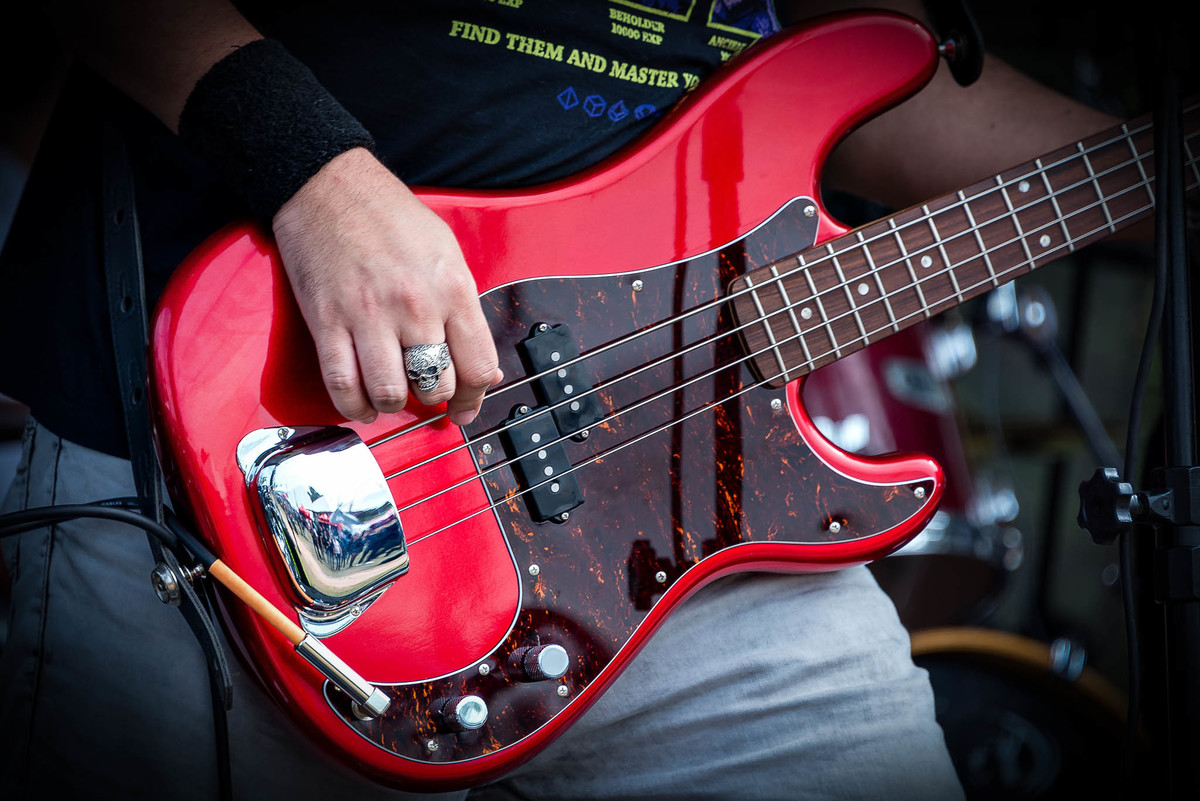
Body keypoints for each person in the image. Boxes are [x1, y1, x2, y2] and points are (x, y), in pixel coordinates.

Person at [0, 1, 1132, 799]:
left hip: (701, 512)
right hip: (251, 474)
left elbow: (882, 70)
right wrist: (309, 171)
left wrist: (1162, 171)